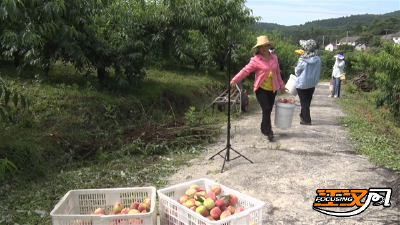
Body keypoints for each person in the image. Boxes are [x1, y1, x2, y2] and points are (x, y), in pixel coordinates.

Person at [230, 35, 286, 141]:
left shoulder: (274, 58)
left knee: (268, 110)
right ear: (258, 48)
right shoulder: (256, 60)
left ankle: (263, 127)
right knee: (265, 108)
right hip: (261, 89)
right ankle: (269, 132)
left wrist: (282, 86)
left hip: (272, 89)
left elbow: (277, 73)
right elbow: (245, 70)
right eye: (261, 46)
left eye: (265, 46)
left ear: (269, 46)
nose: (264, 48)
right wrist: (235, 79)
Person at [294, 39, 322, 126]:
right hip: (312, 83)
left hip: (302, 84)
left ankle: (307, 120)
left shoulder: (302, 59)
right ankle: (303, 115)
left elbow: (297, 72)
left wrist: (295, 69)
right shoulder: (318, 59)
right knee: (307, 101)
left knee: (304, 102)